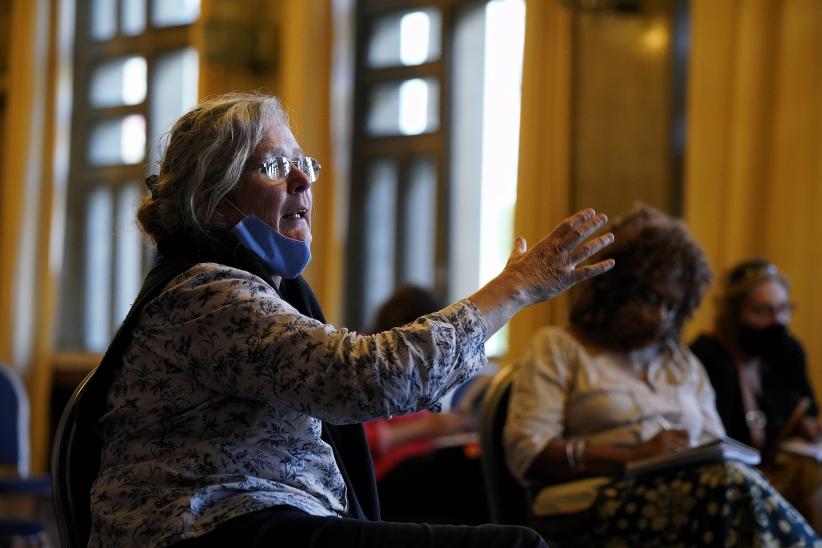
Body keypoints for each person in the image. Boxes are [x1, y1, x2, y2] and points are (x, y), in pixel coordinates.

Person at [83, 91, 616, 548]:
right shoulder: (207, 295)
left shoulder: (243, 287)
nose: (301, 180)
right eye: (273, 166)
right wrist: (513, 288)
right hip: (206, 530)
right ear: (213, 202)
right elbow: (369, 379)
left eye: (304, 163)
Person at [504, 205, 821, 546]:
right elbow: (527, 453)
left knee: (739, 481)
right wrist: (633, 456)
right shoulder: (559, 347)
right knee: (728, 489)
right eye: (651, 298)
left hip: (696, 496)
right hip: (589, 506)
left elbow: (717, 444)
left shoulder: (680, 361)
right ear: (615, 287)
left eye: (673, 306)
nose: (660, 316)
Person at [691, 259, 822, 529]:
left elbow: (807, 406)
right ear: (733, 314)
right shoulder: (706, 358)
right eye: (763, 311)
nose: (778, 321)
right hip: (732, 481)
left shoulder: (785, 351)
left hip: (780, 473)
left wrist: (806, 424)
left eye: (784, 309)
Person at [364, 285, 488, 524]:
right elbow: (361, 440)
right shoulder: (366, 362)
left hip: (415, 467)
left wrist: (451, 427)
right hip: (381, 479)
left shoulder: (413, 373)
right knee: (469, 477)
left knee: (477, 464)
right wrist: (430, 428)